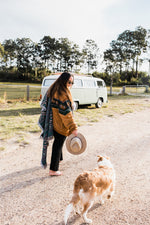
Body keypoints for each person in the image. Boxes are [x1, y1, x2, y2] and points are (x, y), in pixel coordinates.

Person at [43, 72, 78, 176]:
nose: (70, 85)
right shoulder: (63, 94)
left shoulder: (54, 88)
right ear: (64, 81)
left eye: (72, 82)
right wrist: (73, 127)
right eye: (69, 82)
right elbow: (66, 114)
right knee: (58, 144)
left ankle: (59, 159)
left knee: (58, 142)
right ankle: (53, 170)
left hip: (52, 122)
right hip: (60, 124)